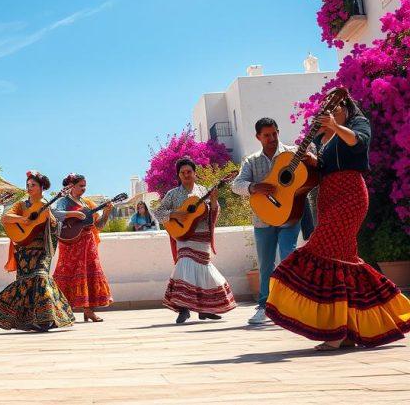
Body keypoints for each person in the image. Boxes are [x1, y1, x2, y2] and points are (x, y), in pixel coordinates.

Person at [266, 95, 410, 350]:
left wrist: (333, 126)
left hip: (351, 194)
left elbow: (358, 142)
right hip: (327, 196)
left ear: (344, 107)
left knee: (321, 250)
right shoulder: (322, 138)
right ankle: (347, 331)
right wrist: (312, 161)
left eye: (333, 107)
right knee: (343, 262)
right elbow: (323, 169)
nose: (328, 111)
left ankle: (334, 333)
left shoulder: (358, 124)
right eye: (325, 108)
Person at [231, 117, 304, 326]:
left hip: (290, 215)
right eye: (267, 135)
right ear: (258, 137)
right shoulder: (251, 161)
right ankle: (264, 306)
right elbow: (237, 185)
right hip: (263, 219)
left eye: (274, 133)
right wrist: (254, 187)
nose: (272, 138)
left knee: (288, 258)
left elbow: (311, 166)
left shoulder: (293, 154)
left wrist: (309, 156)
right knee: (265, 265)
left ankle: (293, 305)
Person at [153, 157, 236, 324]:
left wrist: (213, 202)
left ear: (195, 173)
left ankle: (204, 310)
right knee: (184, 265)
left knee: (203, 271)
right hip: (183, 237)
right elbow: (158, 213)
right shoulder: (172, 194)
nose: (186, 175)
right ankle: (183, 309)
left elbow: (213, 213)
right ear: (178, 175)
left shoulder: (203, 190)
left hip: (202, 235)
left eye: (189, 172)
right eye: (182, 173)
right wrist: (175, 214)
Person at [0, 171, 75, 332]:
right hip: (24, 250)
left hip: (42, 249)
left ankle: (47, 318)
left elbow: (55, 226)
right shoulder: (21, 205)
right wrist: (23, 219)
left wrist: (50, 219)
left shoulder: (48, 204)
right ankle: (31, 319)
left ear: (42, 188)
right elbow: (6, 218)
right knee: (26, 283)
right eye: (27, 185)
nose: (29, 188)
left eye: (33, 185)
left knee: (41, 277)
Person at [52, 173, 113, 322]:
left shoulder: (88, 204)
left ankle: (88, 309)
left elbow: (98, 226)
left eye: (85, 186)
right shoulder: (63, 201)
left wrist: (106, 213)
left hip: (88, 243)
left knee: (89, 272)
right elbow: (53, 213)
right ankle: (62, 310)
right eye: (81, 186)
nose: (84, 189)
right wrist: (74, 213)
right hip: (71, 244)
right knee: (69, 272)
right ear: (71, 186)